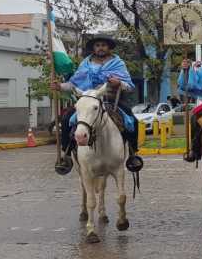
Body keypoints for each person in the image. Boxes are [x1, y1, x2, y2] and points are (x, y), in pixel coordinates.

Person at [51, 35, 142, 173]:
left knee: (132, 120)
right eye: (97, 45)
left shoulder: (118, 63)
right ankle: (67, 153)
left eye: (103, 45)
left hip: (110, 100)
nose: (100, 48)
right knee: (66, 119)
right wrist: (60, 86)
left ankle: (133, 154)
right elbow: (73, 84)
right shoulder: (85, 64)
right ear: (93, 48)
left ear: (109, 47)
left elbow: (129, 86)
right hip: (87, 101)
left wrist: (119, 83)